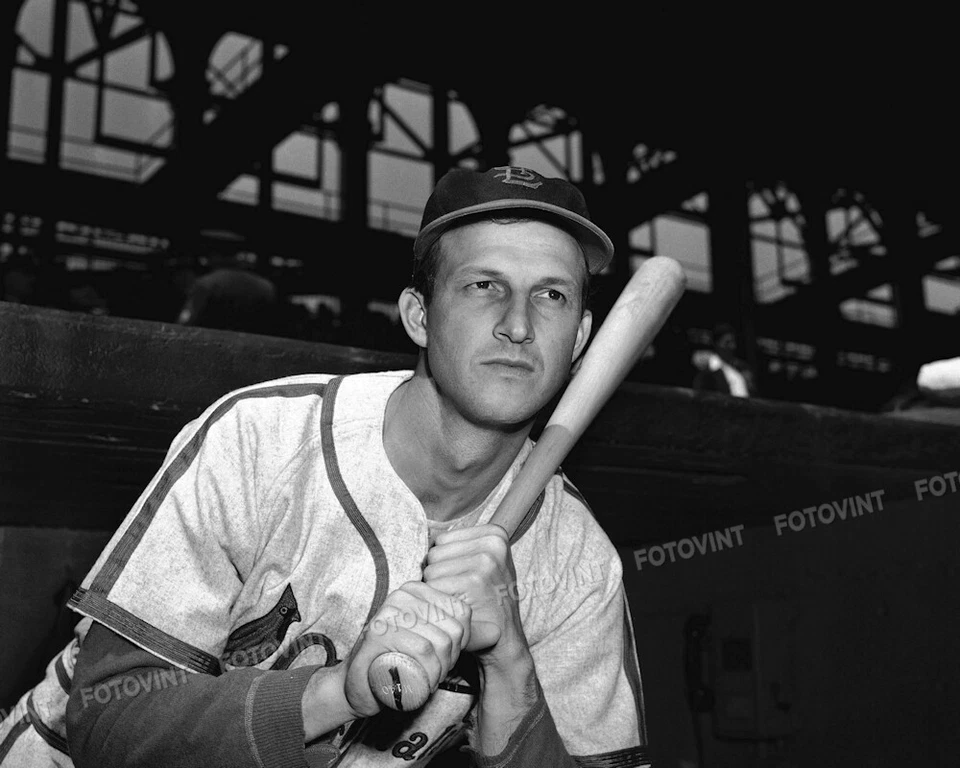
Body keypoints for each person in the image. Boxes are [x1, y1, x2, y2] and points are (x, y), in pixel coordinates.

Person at [0, 166, 652, 767]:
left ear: (584, 338)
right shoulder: (262, 440)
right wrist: (340, 692)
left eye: (552, 296)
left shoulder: (577, 561)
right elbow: (105, 717)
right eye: (485, 286)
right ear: (419, 316)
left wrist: (511, 668)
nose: (518, 325)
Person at [691, 322, 757, 398]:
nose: (733, 346)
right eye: (727, 343)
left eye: (733, 342)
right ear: (716, 344)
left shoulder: (742, 367)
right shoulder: (708, 368)